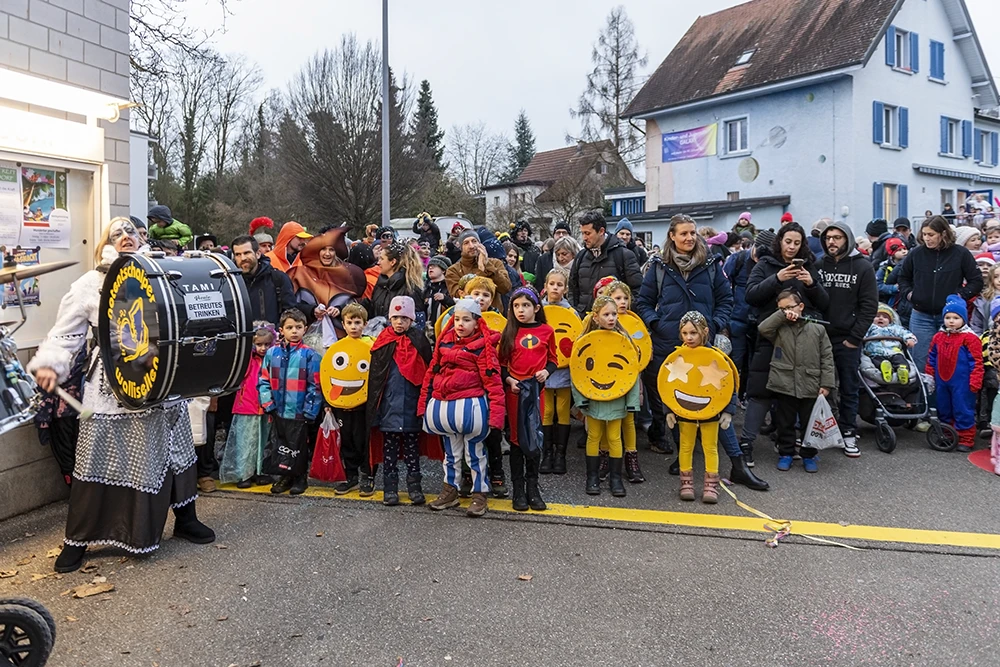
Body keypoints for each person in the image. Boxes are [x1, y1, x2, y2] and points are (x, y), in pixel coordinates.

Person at [29, 217, 214, 574]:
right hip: (111, 385)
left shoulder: (161, 273)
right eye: (117, 233)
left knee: (175, 451)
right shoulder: (89, 283)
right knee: (98, 457)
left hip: (160, 382)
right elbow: (64, 334)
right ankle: (78, 540)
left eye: (130, 231)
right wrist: (51, 364)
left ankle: (186, 519)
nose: (126, 236)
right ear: (105, 242)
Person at [637, 214, 733, 456]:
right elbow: (644, 301)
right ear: (672, 236)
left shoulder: (710, 265)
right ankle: (680, 452)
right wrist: (656, 323)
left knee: (701, 391)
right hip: (668, 341)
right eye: (684, 233)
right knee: (671, 394)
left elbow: (726, 299)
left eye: (692, 232)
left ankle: (698, 448)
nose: (690, 237)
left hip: (703, 343)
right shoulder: (659, 267)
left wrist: (715, 322)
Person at [419, 298, 506, 518]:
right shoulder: (444, 342)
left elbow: (494, 383)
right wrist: (423, 405)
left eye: (466, 319)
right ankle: (450, 490)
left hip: (472, 408)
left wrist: (496, 418)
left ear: (477, 322)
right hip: (446, 408)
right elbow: (431, 374)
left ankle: (480, 494)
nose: (460, 324)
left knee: (475, 454)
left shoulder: (484, 348)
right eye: (457, 319)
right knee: (451, 454)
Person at [758, 289, 837, 472]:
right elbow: (763, 328)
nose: (787, 311)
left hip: (811, 383)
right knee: (785, 421)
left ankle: (809, 454)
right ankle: (786, 452)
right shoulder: (780, 328)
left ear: (801, 306)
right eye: (782, 309)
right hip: (785, 383)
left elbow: (827, 357)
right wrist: (782, 315)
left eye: (790, 307)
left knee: (810, 422)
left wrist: (826, 383)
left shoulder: (818, 328)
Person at [817, 221, 878, 457]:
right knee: (819, 387)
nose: (832, 241)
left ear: (848, 239)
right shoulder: (818, 264)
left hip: (847, 339)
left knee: (849, 387)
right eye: (828, 237)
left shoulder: (863, 267)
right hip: (820, 336)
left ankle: (849, 432)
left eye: (837, 237)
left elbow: (869, 305)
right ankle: (820, 430)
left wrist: (854, 338)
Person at [896, 216, 983, 380]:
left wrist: (958, 297)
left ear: (943, 234)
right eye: (925, 234)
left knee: (949, 362)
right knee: (921, 361)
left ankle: (946, 403)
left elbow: (976, 281)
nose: (927, 239)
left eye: (931, 234)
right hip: (921, 315)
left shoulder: (960, 253)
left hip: (950, 317)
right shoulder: (916, 254)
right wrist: (911, 295)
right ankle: (925, 403)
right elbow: (903, 278)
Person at [367, 296, 434, 505]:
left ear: (412, 320)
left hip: (412, 406)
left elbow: (427, 373)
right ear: (389, 318)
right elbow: (375, 379)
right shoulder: (383, 342)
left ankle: (415, 487)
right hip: (388, 407)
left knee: (413, 451)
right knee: (390, 451)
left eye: (404, 318)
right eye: (395, 317)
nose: (399, 322)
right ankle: (390, 488)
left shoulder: (419, 340)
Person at [667, 311, 737, 502]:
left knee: (710, 447)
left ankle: (711, 485)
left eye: (693, 333)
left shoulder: (716, 357)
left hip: (711, 411)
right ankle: (686, 483)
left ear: (704, 331)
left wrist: (728, 411)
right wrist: (669, 410)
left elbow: (729, 385)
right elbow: (668, 385)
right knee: (686, 445)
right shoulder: (677, 357)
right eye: (685, 333)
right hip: (685, 411)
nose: (689, 337)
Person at [574, 296, 641, 498]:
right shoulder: (585, 343)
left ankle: (615, 478)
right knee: (594, 436)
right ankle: (592, 477)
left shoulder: (625, 341)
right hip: (593, 397)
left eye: (613, 314)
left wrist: (632, 402)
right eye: (606, 314)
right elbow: (578, 371)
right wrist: (580, 399)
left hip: (617, 397)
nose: (611, 318)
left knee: (614, 437)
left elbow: (631, 372)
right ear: (595, 317)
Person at [499, 286, 557, 512]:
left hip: (536, 392)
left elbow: (553, 359)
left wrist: (547, 372)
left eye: (525, 305)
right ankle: (518, 488)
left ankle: (533, 487)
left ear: (536, 308)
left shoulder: (547, 331)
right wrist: (510, 380)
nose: (520, 310)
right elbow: (502, 364)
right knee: (516, 439)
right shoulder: (509, 332)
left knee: (533, 437)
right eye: (516, 306)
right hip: (515, 392)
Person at [259, 308, 322, 495]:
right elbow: (263, 380)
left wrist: (310, 410)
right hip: (278, 410)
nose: (294, 331)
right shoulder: (272, 353)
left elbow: (315, 385)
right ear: (281, 330)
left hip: (299, 411)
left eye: (298, 327)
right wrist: (268, 403)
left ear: (305, 329)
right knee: (282, 444)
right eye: (290, 327)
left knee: (299, 445)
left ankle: (300, 477)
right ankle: (284, 476)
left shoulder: (310, 355)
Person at [218, 323, 275, 488]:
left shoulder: (272, 359)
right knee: (245, 443)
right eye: (259, 344)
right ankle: (244, 474)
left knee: (263, 442)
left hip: (265, 407)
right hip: (247, 406)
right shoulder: (248, 359)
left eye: (267, 344)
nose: (263, 348)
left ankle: (260, 472)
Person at [722, 230, 776, 400]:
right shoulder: (737, 260)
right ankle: (731, 396)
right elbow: (723, 286)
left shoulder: (771, 263)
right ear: (753, 246)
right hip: (737, 320)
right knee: (735, 361)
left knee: (756, 364)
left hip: (761, 322)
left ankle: (747, 396)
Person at [926, 295, 984, 453]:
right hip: (942, 381)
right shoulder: (938, 337)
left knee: (963, 408)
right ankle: (947, 433)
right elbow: (931, 357)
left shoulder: (970, 338)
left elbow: (976, 361)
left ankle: (965, 437)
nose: (951, 321)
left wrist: (975, 380)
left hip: (963, 382)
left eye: (956, 318)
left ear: (964, 319)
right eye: (948, 317)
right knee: (944, 407)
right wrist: (930, 375)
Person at [286, 229, 366, 341]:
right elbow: (290, 304)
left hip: (342, 337)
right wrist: (312, 310)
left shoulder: (348, 274)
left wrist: (339, 309)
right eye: (323, 249)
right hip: (308, 337)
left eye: (331, 250)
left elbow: (358, 305)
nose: (327, 253)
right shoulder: (300, 273)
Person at [329, 304, 375, 496]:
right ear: (343, 324)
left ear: (365, 324)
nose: (354, 326)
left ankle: (368, 476)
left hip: (364, 406)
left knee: (364, 442)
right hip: (342, 405)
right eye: (350, 322)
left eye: (358, 322)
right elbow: (328, 374)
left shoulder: (372, 346)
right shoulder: (337, 348)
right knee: (346, 441)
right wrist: (328, 403)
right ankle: (351, 476)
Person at [569, 210, 643, 315]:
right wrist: (576, 311)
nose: (584, 238)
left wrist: (623, 313)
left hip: (614, 322)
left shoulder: (623, 255)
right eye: (582, 233)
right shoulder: (581, 256)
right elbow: (573, 289)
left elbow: (638, 291)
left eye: (588, 233)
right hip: (584, 320)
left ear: (601, 231)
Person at [540, 268, 573, 474]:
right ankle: (547, 453)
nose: (555, 287)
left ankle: (560, 455)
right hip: (543, 369)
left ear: (565, 289)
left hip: (563, 371)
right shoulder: (539, 311)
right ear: (545, 287)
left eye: (559, 284)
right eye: (552, 284)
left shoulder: (571, 313)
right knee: (546, 410)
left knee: (562, 411)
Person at [231, 235, 297, 324]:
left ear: (258, 254)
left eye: (247, 253)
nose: (243, 258)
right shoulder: (231, 283)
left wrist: (272, 332)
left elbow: (290, 314)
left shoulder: (278, 279)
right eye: (238, 254)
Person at [444, 229, 512, 311]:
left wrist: (488, 265)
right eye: (466, 243)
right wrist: (481, 270)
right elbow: (459, 296)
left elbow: (505, 288)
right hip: (468, 318)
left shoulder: (495, 263)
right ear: (461, 247)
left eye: (474, 241)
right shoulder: (453, 270)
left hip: (493, 317)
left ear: (480, 244)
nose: (472, 246)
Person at [366, 241, 426, 325]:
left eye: (382, 259)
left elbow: (413, 322)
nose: (378, 262)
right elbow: (373, 308)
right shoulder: (381, 284)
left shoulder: (410, 288)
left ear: (392, 262)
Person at [864, 304, 917, 384]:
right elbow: (862, 333)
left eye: (885, 317)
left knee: (900, 360)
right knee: (877, 361)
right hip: (875, 352)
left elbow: (905, 333)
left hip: (894, 351)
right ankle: (885, 369)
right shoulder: (870, 327)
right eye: (877, 316)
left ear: (890, 320)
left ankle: (902, 370)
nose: (881, 318)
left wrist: (910, 339)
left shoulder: (895, 328)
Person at [875, 238, 912, 328]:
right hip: (891, 301)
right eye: (899, 250)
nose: (904, 252)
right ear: (891, 253)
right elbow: (877, 285)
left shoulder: (910, 264)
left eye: (904, 249)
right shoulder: (884, 268)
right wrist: (893, 288)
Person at [532, 221, 573, 291]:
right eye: (558, 233)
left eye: (564, 233)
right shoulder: (543, 259)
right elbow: (539, 284)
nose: (561, 235)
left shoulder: (578, 257)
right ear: (553, 236)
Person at [423, 255, 454, 336]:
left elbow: (457, 306)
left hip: (445, 330)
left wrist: (445, 299)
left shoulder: (450, 287)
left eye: (434, 266)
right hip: (427, 331)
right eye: (429, 266)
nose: (430, 268)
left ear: (443, 270)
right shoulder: (425, 288)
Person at [971, 256, 999, 335]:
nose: (999, 280)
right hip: (989, 342)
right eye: (996, 277)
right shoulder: (983, 300)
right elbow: (976, 325)